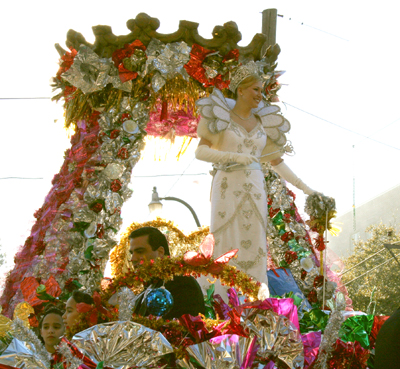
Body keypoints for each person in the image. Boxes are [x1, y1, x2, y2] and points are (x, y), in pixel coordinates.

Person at [195, 61, 314, 291]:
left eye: (261, 90)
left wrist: (304, 187)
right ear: (240, 89)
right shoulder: (221, 116)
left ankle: (254, 302)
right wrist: (234, 157)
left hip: (255, 187)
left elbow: (277, 161)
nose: (260, 95)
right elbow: (201, 151)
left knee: (256, 241)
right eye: (256, 89)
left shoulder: (264, 123)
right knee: (227, 239)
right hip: (227, 187)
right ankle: (224, 299)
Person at [127, 226, 206, 319]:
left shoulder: (182, 283)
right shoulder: (145, 290)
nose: (133, 259)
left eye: (140, 251)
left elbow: (184, 329)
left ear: (160, 252)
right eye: (132, 253)